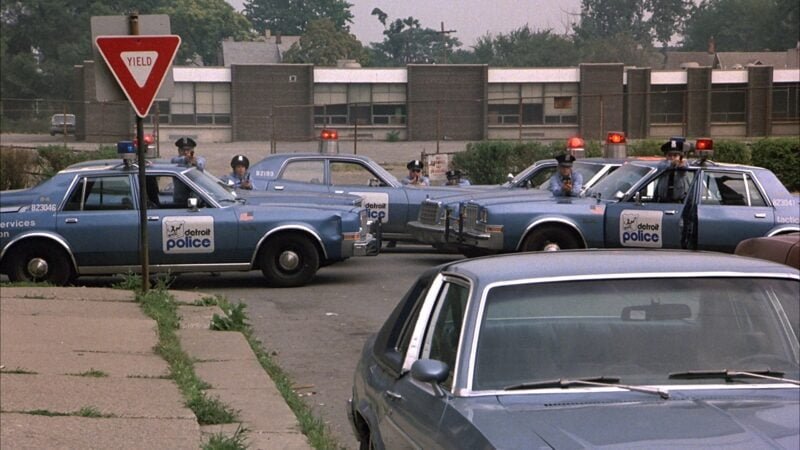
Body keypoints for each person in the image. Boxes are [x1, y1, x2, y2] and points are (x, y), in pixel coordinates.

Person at [655, 138, 690, 203]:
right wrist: (672, 164)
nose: (672, 158)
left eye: (675, 155)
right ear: (666, 156)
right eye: (670, 155)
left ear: (680, 156)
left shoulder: (683, 163)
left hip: (679, 202)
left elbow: (685, 168)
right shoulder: (663, 164)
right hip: (663, 201)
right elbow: (660, 168)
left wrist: (681, 165)